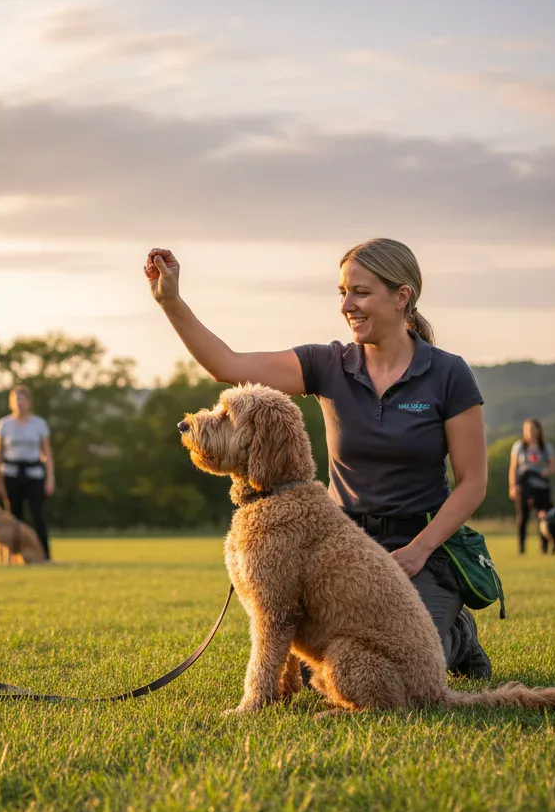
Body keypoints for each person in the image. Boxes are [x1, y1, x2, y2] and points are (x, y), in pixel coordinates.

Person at [144, 238, 492, 678]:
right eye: (342, 292)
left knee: (410, 667)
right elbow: (229, 365)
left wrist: (418, 551)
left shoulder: (448, 374)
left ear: (402, 296)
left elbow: (473, 482)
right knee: (322, 673)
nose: (348, 304)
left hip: (421, 547)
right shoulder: (328, 364)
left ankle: (458, 634)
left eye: (361, 292)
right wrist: (171, 301)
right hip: (340, 550)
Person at [0, 386, 55, 561]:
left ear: (29, 402)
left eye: (22, 399)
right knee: (13, 517)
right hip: (10, 473)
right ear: (11, 403)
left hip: (33, 473)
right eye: (16, 399)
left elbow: (46, 453)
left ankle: (44, 555)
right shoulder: (4, 424)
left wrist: (50, 478)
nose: (19, 403)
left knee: (37, 516)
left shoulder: (39, 424)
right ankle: (13, 556)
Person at [508, 418, 555, 555]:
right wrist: (513, 486)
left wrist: (545, 471)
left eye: (533, 429)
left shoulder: (546, 447)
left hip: (540, 487)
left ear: (538, 430)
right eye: (528, 430)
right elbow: (513, 468)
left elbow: (552, 466)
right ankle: (521, 548)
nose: (531, 433)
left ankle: (544, 548)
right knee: (522, 518)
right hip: (524, 486)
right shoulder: (519, 447)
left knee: (543, 518)